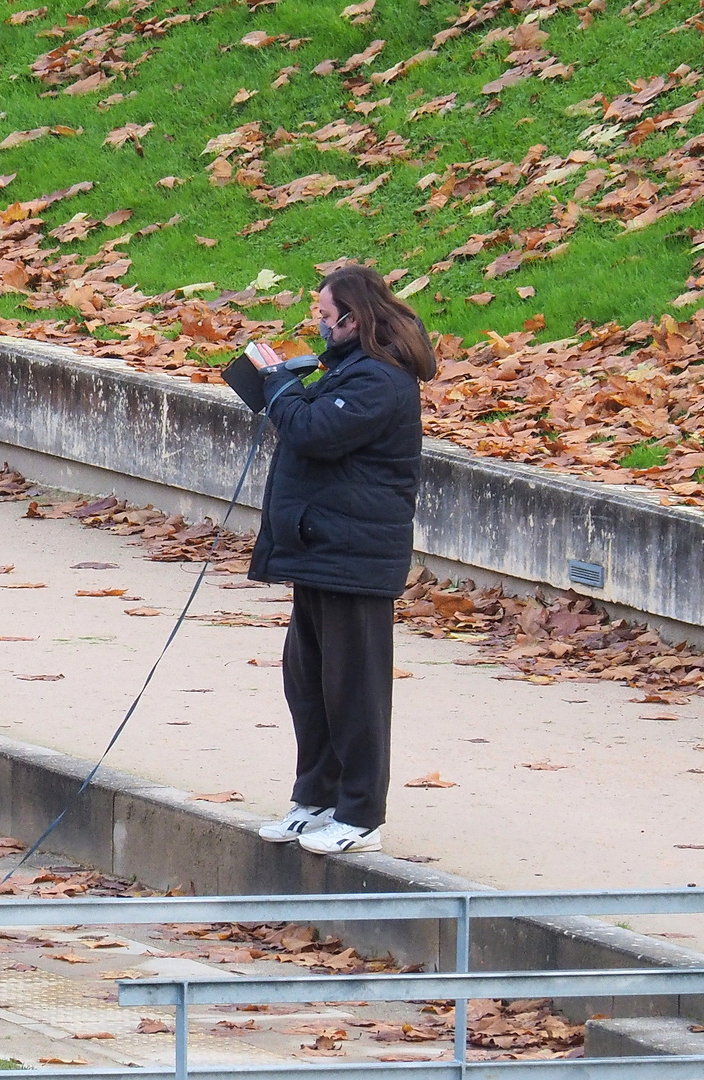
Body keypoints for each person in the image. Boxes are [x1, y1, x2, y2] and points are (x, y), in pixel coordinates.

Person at [243, 264, 435, 855]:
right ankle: (316, 798)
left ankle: (360, 815)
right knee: (308, 683)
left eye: (326, 318)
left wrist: (275, 387)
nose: (320, 327)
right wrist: (280, 384)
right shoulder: (347, 369)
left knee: (355, 689)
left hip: (356, 556)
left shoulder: (383, 380)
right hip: (320, 550)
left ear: (355, 318)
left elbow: (315, 432)